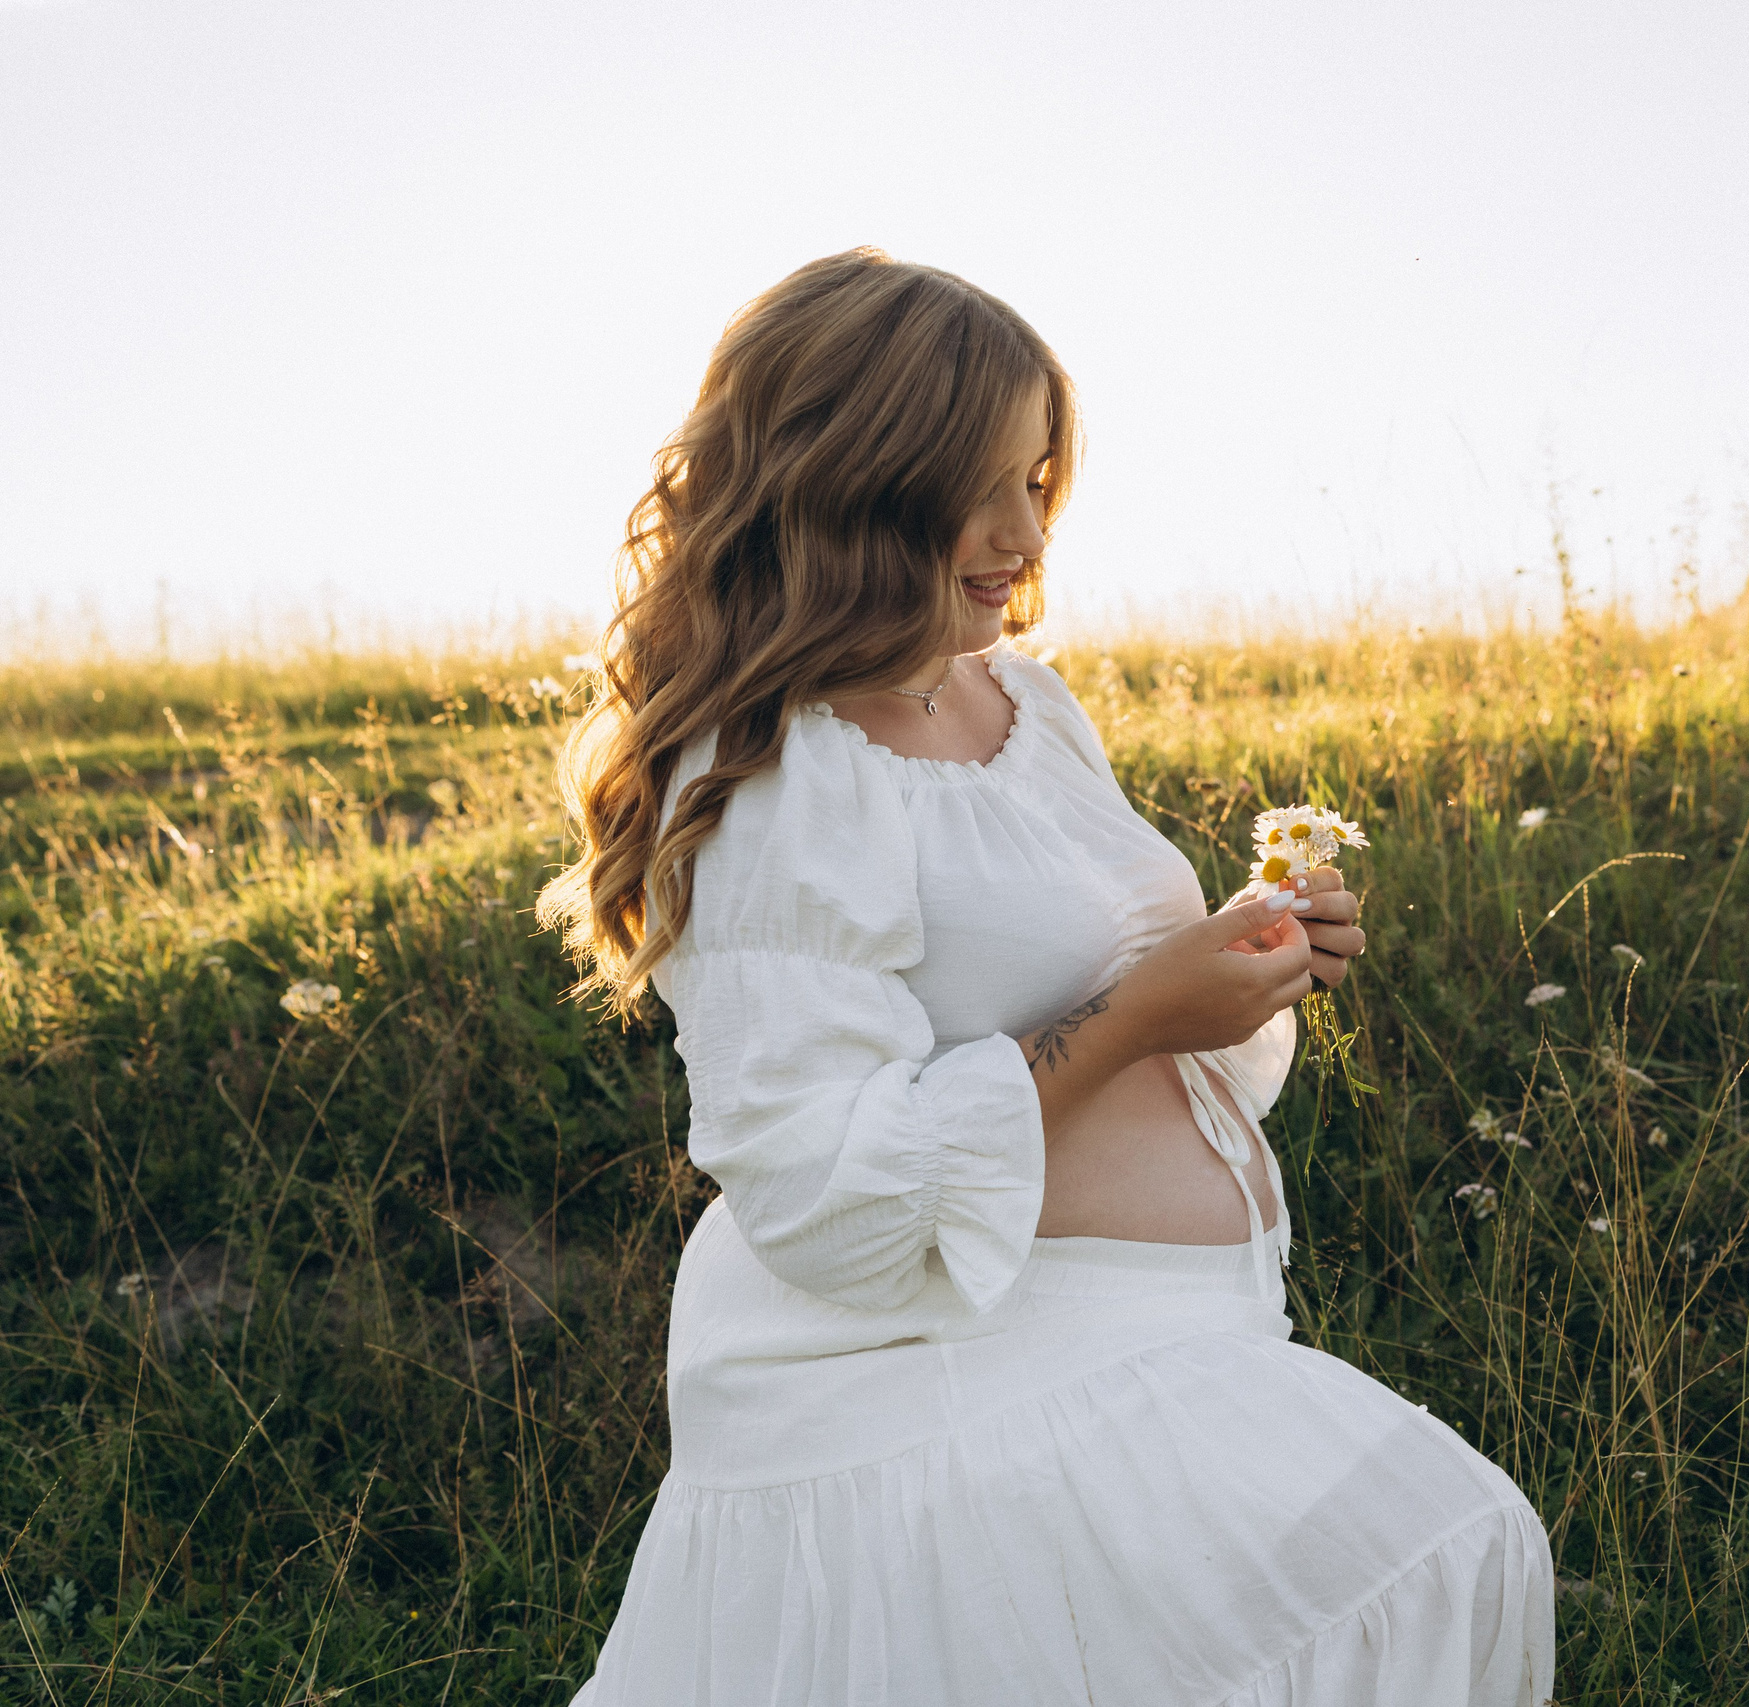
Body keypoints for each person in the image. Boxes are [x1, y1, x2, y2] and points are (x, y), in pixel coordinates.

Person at [538, 248, 1554, 1705]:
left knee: (1441, 1566)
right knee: (1436, 1551)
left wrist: (1245, 963)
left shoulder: (1031, 703)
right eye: (988, 484)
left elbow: (1099, 980)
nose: (1028, 534)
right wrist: (1146, 1011)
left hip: (1170, 1333)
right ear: (860, 479)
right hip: (943, 1381)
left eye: (1043, 481)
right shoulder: (775, 777)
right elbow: (823, 1191)